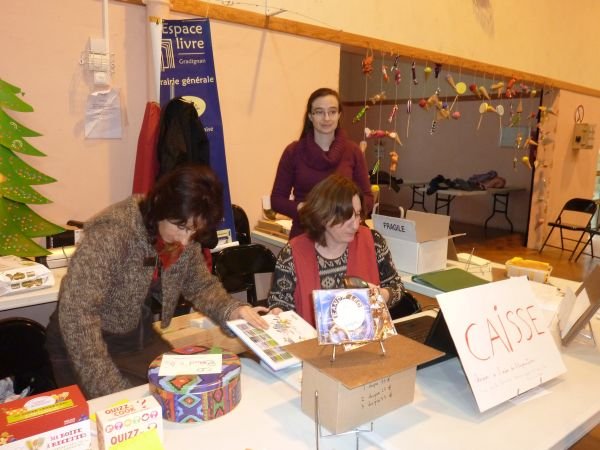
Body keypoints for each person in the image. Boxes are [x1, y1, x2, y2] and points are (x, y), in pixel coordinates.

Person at [45, 165, 268, 399]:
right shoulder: (113, 232)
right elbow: (78, 314)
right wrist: (112, 392)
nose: (185, 240)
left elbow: (200, 285)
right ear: (161, 205)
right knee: (127, 407)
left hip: (134, 336)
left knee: (182, 393)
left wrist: (232, 311)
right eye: (181, 227)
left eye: (193, 231)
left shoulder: (181, 230)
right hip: (79, 342)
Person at [267, 174, 403, 325]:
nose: (355, 225)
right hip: (311, 338)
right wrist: (277, 312)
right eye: (346, 217)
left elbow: (396, 287)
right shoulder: (292, 253)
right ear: (322, 216)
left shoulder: (373, 241)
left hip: (366, 337)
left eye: (357, 215)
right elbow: (279, 302)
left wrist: (381, 295)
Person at [270, 87, 374, 238]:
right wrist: (303, 208)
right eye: (319, 112)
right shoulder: (293, 152)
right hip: (304, 235)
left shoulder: (353, 151)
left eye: (332, 112)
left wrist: (342, 212)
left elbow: (368, 198)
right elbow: (276, 200)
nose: (326, 118)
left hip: (343, 237)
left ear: (339, 115)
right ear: (310, 116)